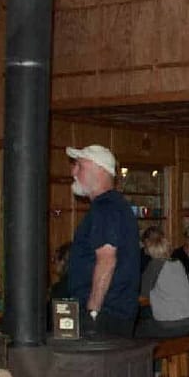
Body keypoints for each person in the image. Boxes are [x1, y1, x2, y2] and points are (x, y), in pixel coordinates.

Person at [66, 144, 140, 337]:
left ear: (99, 169)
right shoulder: (115, 206)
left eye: (79, 166)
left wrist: (93, 311)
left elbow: (107, 260)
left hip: (105, 314)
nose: (73, 171)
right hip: (114, 312)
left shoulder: (105, 208)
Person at [136, 232, 189, 338]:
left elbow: (143, 294)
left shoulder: (154, 264)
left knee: (134, 331)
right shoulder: (178, 263)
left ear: (151, 250)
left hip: (170, 324)